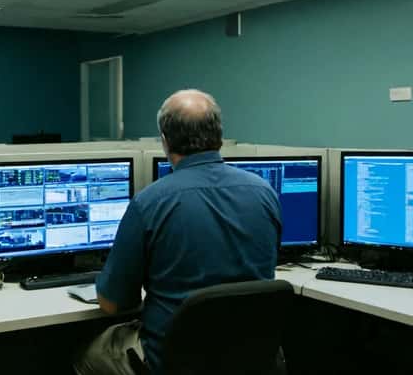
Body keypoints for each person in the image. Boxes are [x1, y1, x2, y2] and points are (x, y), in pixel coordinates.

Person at [74, 89, 282, 375]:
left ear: (164, 140)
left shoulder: (150, 202)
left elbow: (112, 305)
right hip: (250, 358)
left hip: (172, 361)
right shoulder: (265, 193)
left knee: (89, 355)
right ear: (219, 136)